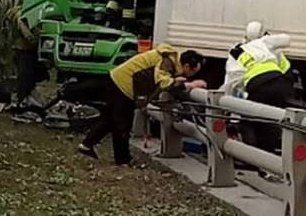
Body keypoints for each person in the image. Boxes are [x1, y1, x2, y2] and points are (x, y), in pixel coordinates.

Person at [72, 44, 207, 165]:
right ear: (187, 66)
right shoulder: (167, 62)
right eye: (193, 72)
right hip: (124, 85)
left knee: (110, 119)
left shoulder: (169, 58)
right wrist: (190, 85)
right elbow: (163, 81)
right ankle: (123, 160)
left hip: (119, 80)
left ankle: (86, 145)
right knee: (122, 124)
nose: (191, 75)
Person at [228, 31, 294, 155]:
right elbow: (286, 39)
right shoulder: (262, 43)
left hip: (259, 87)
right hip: (281, 82)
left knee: (251, 120)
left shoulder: (233, 59)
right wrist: (270, 40)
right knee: (273, 119)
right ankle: (271, 153)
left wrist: (225, 106)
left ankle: (258, 156)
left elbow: (230, 86)